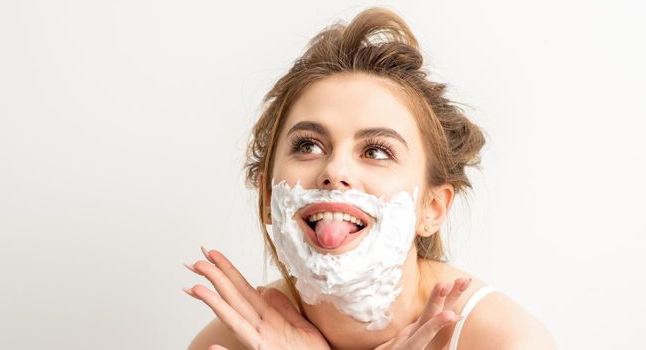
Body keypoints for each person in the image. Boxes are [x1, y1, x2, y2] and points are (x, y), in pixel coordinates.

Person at [184, 7, 556, 350]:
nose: (334, 172)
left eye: (377, 151)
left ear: (432, 207)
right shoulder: (235, 339)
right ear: (267, 195)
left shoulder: (503, 340)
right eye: (309, 145)